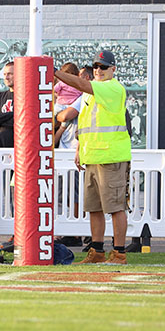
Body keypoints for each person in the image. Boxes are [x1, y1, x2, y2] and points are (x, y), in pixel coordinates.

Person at [54, 50, 132, 265]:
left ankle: (119, 253)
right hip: (93, 156)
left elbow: (83, 85)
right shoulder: (90, 92)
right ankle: (96, 251)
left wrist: (56, 73)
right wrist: (80, 149)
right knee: (94, 207)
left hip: (112, 157)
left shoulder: (112, 88)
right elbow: (86, 124)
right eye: (96, 66)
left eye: (104, 66)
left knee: (115, 207)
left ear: (113, 69)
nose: (98, 70)